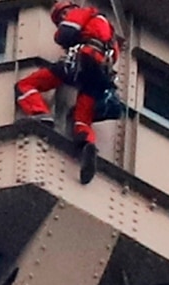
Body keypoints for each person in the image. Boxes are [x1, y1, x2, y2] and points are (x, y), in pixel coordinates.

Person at [15, 0, 121, 184]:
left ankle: (40, 113)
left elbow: (64, 35)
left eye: (60, 16)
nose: (61, 20)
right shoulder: (110, 32)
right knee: (81, 119)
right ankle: (86, 144)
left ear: (68, 10)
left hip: (82, 62)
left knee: (25, 85)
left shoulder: (81, 13)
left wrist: (65, 31)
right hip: (99, 74)